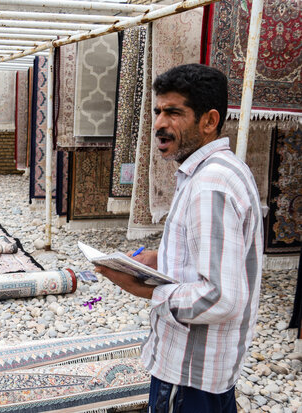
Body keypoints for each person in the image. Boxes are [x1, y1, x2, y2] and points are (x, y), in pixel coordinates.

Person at [95, 64, 263, 412]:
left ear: (209, 120)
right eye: (157, 111)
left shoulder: (210, 184)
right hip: (206, 371)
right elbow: (218, 256)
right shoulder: (219, 171)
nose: (159, 124)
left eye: (174, 113)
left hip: (189, 376)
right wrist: (161, 257)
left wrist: (147, 289)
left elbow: (221, 297)